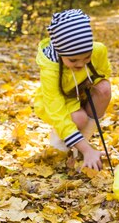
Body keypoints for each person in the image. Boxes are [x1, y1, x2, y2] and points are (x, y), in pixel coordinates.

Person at [34, 9, 112, 171]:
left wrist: (89, 84)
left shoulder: (98, 50)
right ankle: (60, 148)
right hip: (56, 105)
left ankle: (81, 148)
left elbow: (103, 73)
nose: (80, 64)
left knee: (104, 88)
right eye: (73, 60)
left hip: (80, 94)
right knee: (79, 119)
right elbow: (58, 113)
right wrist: (87, 149)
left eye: (86, 58)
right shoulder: (50, 70)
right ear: (61, 53)